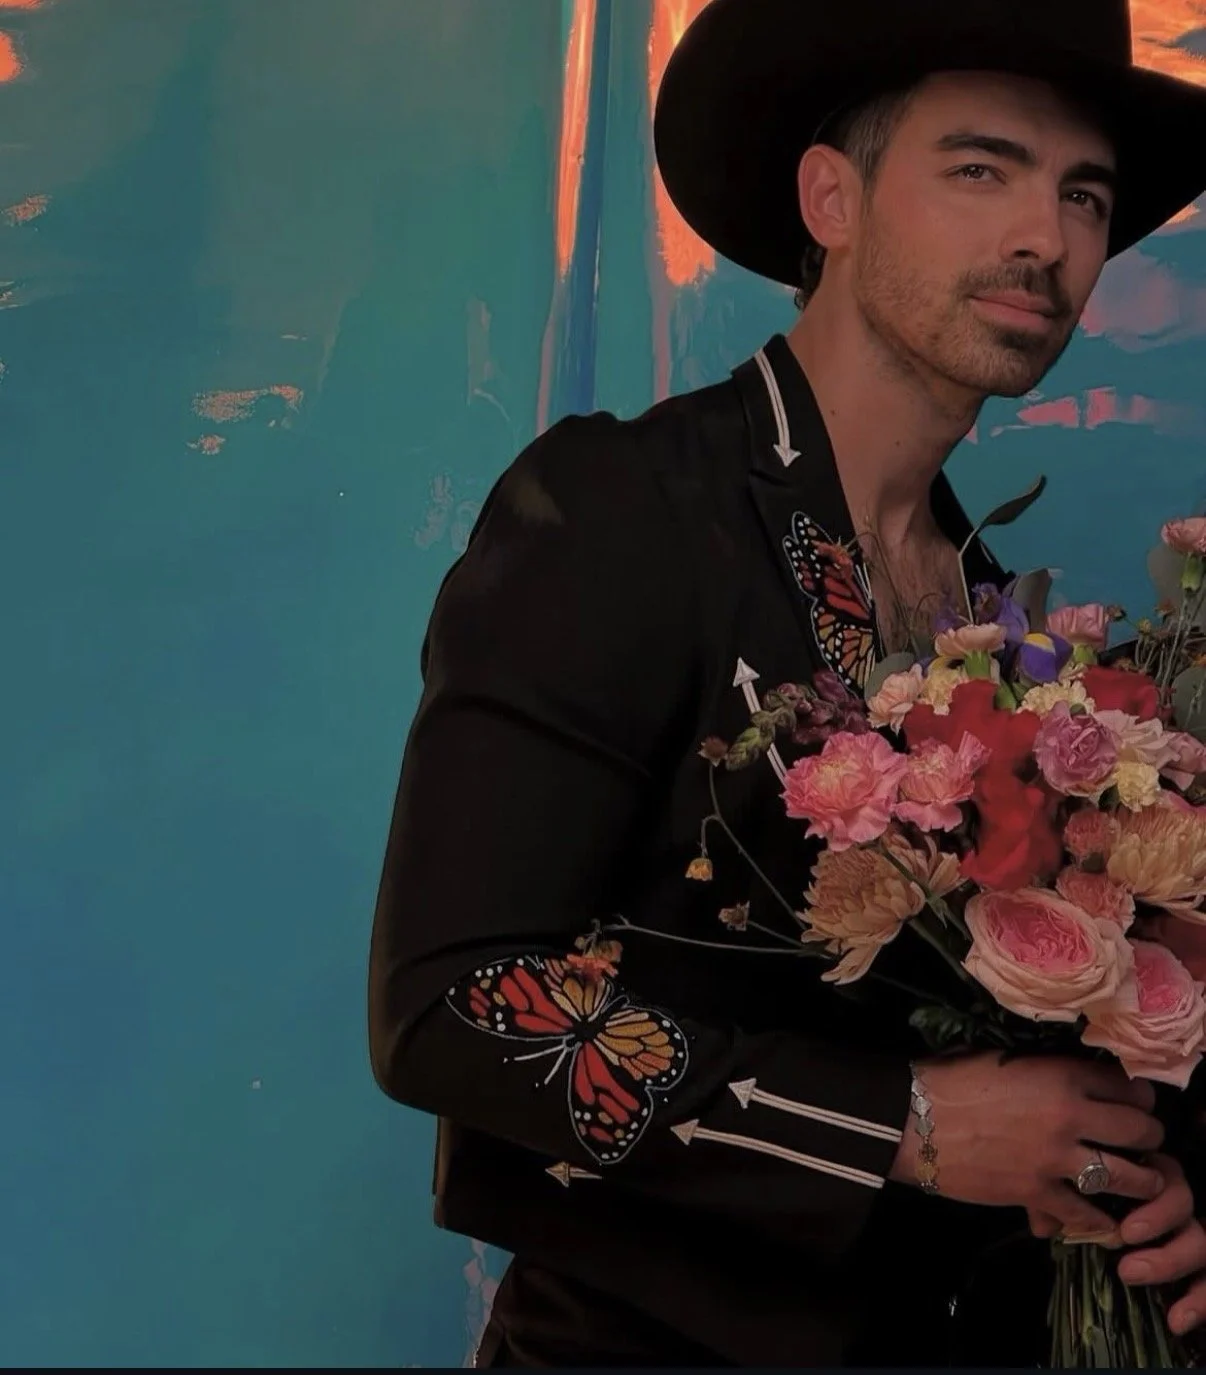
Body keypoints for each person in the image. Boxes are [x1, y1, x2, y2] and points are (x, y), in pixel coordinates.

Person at [369, 0, 1206, 1365]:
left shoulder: (1003, 625)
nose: (1043, 239)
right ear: (830, 195)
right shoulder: (620, 508)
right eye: (979, 168)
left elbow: (998, 1038)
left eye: (1083, 195)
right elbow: (452, 997)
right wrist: (907, 1125)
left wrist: (1130, 1176)